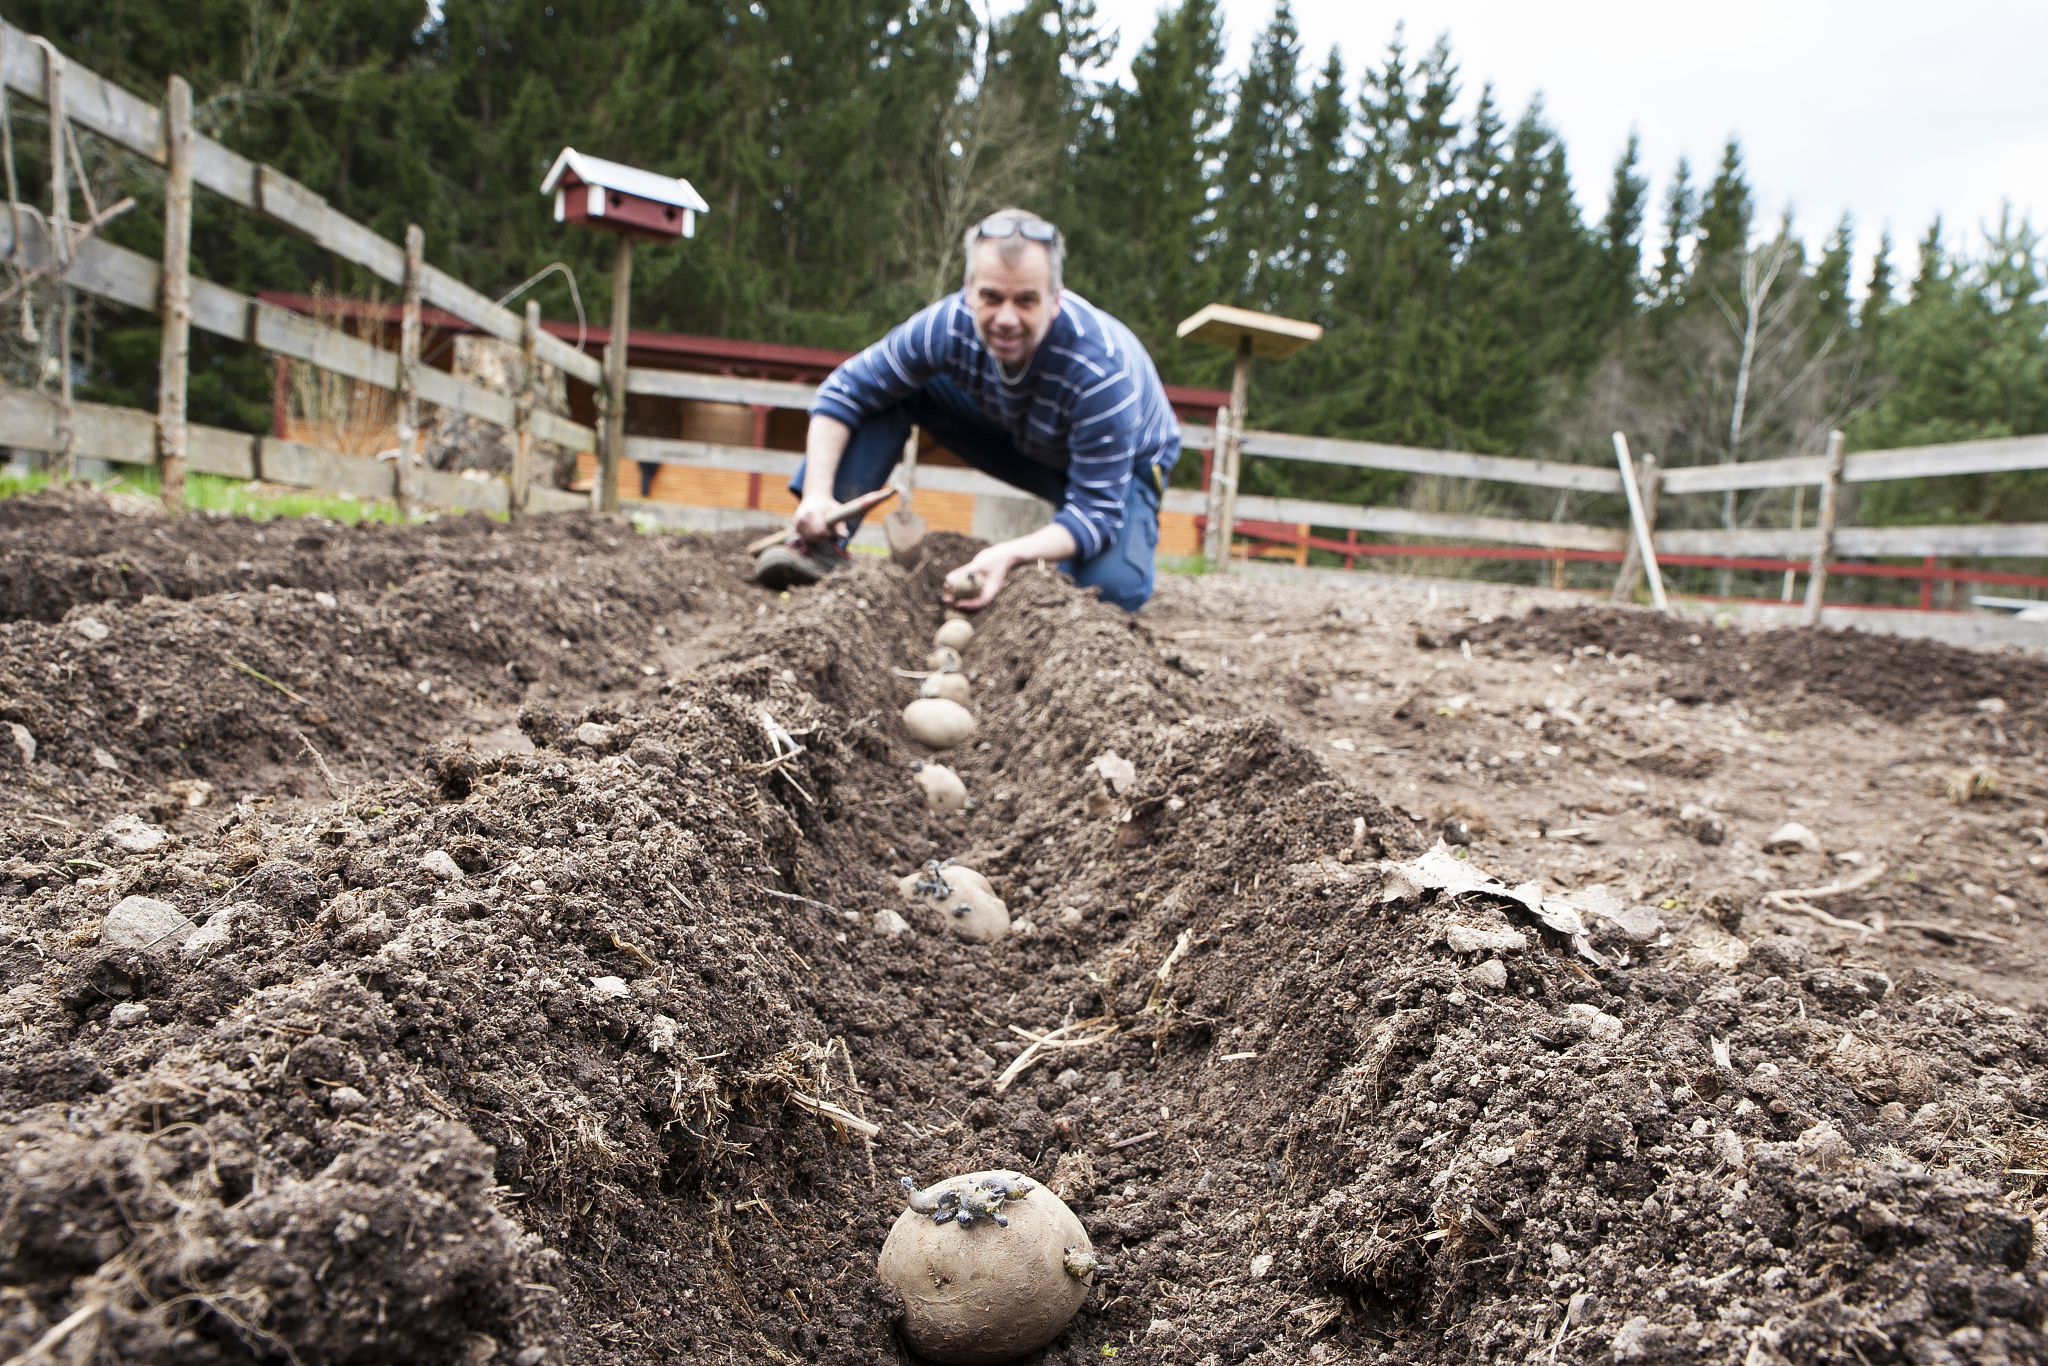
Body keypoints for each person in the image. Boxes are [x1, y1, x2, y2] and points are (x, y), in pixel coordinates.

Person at [753, 208, 1180, 612]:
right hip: (1022, 433)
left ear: (1055, 300)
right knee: (891, 388)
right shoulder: (947, 325)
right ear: (969, 289)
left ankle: (1075, 567)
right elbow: (845, 390)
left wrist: (1009, 554)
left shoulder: (1100, 370)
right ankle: (822, 541)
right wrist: (817, 494)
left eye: (1026, 300)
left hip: (1123, 467)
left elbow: (1095, 512)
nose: (1006, 318)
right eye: (991, 297)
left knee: (1105, 589)